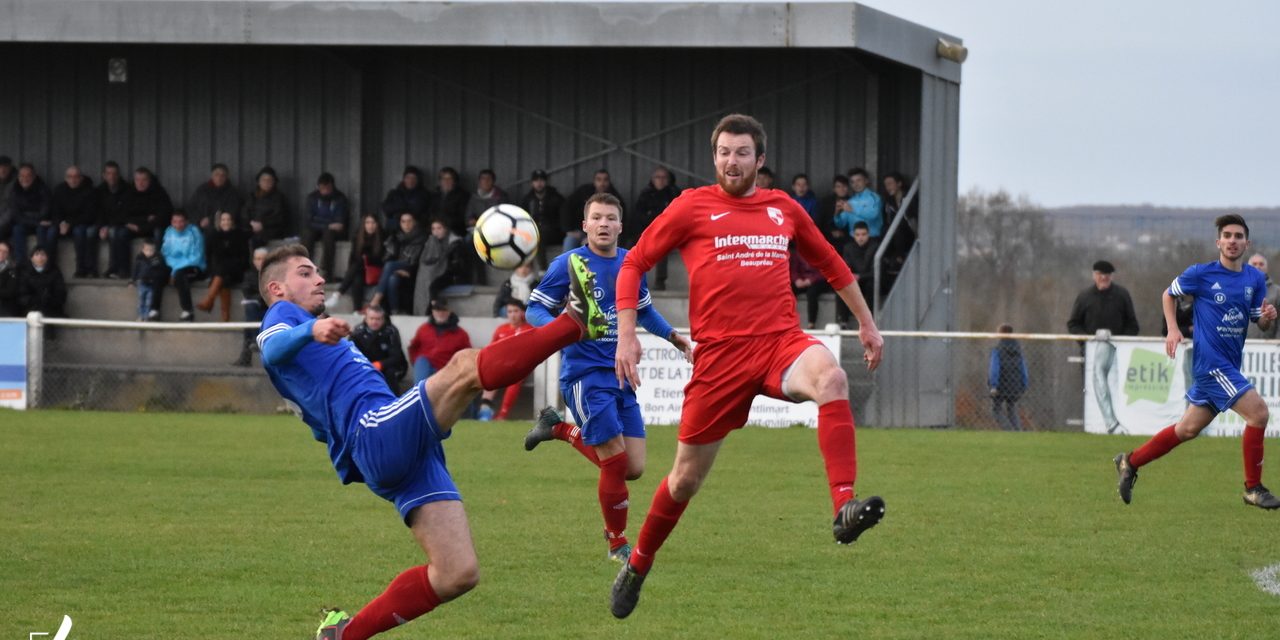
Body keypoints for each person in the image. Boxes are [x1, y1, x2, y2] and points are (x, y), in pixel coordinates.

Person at [253, 243, 607, 640]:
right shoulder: (282, 317)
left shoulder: (308, 340)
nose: (318, 278)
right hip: (375, 431)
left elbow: (321, 420)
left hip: (392, 446)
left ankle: (343, 636)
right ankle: (573, 323)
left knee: (457, 572)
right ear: (277, 289)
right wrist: (310, 328)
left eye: (317, 270)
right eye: (304, 273)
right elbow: (270, 344)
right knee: (463, 367)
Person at [609, 114, 886, 618]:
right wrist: (626, 335)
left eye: (741, 153)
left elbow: (830, 263)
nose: (730, 161)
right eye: (723, 153)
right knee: (683, 482)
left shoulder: (783, 209)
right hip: (719, 361)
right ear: (713, 157)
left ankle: (843, 506)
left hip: (781, 342)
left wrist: (866, 323)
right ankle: (639, 564)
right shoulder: (692, 206)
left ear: (760, 160)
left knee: (833, 377)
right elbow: (632, 262)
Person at [523, 192, 690, 561]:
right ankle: (617, 544)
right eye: (596, 217)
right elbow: (535, 310)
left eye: (610, 218)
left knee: (633, 467)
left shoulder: (632, 263)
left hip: (622, 374)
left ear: (620, 225)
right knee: (613, 461)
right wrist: (561, 331)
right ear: (584, 225)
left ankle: (557, 428)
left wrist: (678, 341)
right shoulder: (568, 264)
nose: (603, 224)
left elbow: (643, 311)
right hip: (584, 375)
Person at [1114, 214, 1280, 510]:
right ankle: (1253, 488)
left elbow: (1259, 322)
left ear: (1247, 243)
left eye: (1238, 236)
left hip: (1229, 364)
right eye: (1227, 235)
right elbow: (1169, 294)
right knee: (1258, 413)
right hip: (1211, 365)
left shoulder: (1254, 279)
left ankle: (1130, 461)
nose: (1232, 240)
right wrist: (1174, 328)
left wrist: (1267, 319)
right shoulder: (1201, 274)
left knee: (1187, 429)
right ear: (1218, 242)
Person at [1067, 260, 1139, 435]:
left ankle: (1117, 424)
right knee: (1092, 388)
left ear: (1112, 277)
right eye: (1100, 275)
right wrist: (1088, 341)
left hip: (1118, 355)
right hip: (1090, 354)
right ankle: (1095, 426)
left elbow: (1133, 325)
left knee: (1117, 389)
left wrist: (1119, 341)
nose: (1103, 278)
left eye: (1107, 275)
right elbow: (1073, 324)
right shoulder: (1084, 297)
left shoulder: (1122, 295)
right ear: (1094, 276)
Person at [477, 299, 535, 421]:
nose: (512, 315)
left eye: (515, 311)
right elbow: (491, 349)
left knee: (514, 379)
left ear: (522, 313)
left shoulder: (529, 329)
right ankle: (485, 411)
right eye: (509, 311)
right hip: (501, 365)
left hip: (520, 366)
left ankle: (503, 415)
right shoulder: (501, 329)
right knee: (488, 376)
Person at [630, 166, 679, 288]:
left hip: (668, 233)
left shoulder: (674, 194)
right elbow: (638, 215)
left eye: (664, 177)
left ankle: (660, 281)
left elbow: (679, 216)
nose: (661, 180)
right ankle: (634, 282)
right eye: (658, 177)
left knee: (662, 246)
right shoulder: (646, 195)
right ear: (652, 179)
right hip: (648, 231)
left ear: (668, 179)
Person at [369, 212, 427, 315]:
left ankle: (376, 299)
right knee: (392, 279)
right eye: (403, 221)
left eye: (409, 221)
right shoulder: (396, 237)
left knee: (390, 265)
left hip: (413, 273)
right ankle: (395, 311)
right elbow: (387, 257)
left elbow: (422, 262)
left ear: (415, 223)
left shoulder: (422, 238)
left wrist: (410, 273)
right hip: (395, 271)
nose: (406, 224)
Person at [198, 211, 251, 322]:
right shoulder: (213, 236)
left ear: (232, 222)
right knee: (224, 278)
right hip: (219, 273)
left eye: (228, 219)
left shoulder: (239, 235)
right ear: (219, 222)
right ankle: (225, 317)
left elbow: (244, 258)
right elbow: (209, 256)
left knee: (223, 269)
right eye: (223, 220)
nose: (226, 222)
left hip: (237, 270)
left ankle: (209, 300)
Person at [408, 298, 472, 383]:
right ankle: (419, 392)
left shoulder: (461, 334)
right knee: (421, 361)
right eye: (437, 310)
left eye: (444, 310)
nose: (440, 313)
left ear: (449, 312)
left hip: (446, 369)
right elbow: (413, 347)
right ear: (433, 312)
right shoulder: (423, 329)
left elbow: (466, 355)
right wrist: (415, 361)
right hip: (424, 365)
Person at [158, 210, 206, 321]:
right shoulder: (169, 232)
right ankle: (153, 310)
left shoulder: (194, 232)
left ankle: (188, 311)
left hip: (194, 266)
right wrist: (173, 269)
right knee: (158, 274)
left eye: (181, 221)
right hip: (173, 266)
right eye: (175, 222)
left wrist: (174, 271)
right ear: (171, 222)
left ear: (187, 222)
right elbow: (165, 253)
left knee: (180, 275)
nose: (178, 225)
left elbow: (196, 257)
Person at [52, 165, 98, 277]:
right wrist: (61, 223)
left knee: (80, 231)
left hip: (81, 224)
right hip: (64, 224)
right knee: (50, 232)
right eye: (70, 177)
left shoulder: (89, 191)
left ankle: (81, 268)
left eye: (76, 177)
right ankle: (49, 265)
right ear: (65, 178)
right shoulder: (59, 190)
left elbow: (89, 215)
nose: (73, 180)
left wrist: (70, 223)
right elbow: (55, 211)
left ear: (81, 178)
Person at [411, 219, 466, 316]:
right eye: (433, 229)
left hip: (451, 274)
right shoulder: (431, 243)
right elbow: (426, 260)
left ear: (445, 229)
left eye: (439, 228)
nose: (436, 231)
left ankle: (432, 309)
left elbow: (457, 265)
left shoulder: (455, 243)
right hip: (436, 272)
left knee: (433, 286)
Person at [332, 213, 385, 312]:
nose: (370, 225)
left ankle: (338, 293)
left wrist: (367, 259)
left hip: (376, 272)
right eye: (367, 222)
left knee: (358, 263)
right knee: (356, 279)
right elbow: (352, 258)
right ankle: (357, 310)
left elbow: (381, 259)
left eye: (373, 222)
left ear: (377, 224)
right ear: (363, 225)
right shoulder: (358, 238)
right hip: (360, 271)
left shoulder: (383, 237)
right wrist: (350, 273)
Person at [351, 304, 409, 393]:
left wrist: (380, 364)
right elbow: (352, 353)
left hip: (388, 365)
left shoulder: (391, 331)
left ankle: (394, 401)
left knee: (390, 373)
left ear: (383, 319)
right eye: (372, 318)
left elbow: (396, 357)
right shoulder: (358, 332)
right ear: (366, 318)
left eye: (378, 319)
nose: (374, 322)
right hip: (365, 365)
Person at [302, 172, 350, 278]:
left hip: (333, 232)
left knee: (328, 235)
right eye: (322, 188)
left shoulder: (340, 198)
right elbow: (308, 221)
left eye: (327, 188)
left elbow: (340, 222)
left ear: (332, 186)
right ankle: (304, 266)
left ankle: (326, 271)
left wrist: (321, 223)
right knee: (307, 234)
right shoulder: (312, 198)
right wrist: (328, 225)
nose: (325, 191)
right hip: (318, 228)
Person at [561, 169, 622, 253]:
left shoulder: (616, 198)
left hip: (601, 234)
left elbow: (621, 220)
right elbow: (566, 208)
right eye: (599, 180)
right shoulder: (583, 192)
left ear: (609, 182)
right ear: (594, 181)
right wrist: (568, 230)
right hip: (578, 231)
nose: (602, 183)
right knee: (569, 241)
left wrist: (591, 237)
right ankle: (567, 265)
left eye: (605, 180)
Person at [9, 162, 54, 264]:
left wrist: (27, 216)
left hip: (41, 224)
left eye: (28, 176)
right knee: (17, 229)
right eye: (22, 176)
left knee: (41, 230)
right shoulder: (15, 190)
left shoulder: (43, 189)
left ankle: (43, 262)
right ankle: (21, 263)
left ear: (34, 176)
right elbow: (16, 215)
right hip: (30, 223)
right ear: (18, 177)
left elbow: (45, 212)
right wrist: (34, 221)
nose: (25, 179)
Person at [520, 169, 565, 268]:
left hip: (554, 233)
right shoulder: (528, 199)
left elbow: (563, 218)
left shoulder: (556, 198)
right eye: (536, 180)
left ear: (546, 182)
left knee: (538, 235)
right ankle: (525, 271)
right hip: (533, 232)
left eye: (542, 180)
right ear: (532, 183)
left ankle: (542, 270)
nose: (539, 183)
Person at [96, 161, 134, 279]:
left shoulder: (127, 189)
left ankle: (123, 269)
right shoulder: (99, 190)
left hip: (124, 223)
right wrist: (101, 226)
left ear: (118, 175)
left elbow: (126, 212)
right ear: (104, 175)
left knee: (119, 233)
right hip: (108, 225)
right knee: (93, 232)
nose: (111, 176)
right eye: (109, 173)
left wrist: (109, 226)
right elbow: (97, 211)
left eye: (114, 173)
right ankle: (111, 268)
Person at [988, 324, 1028, 432]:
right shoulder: (1018, 350)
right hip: (1016, 385)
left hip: (1001, 385)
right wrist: (1024, 384)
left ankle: (1009, 430)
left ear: (1001, 333)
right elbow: (1023, 368)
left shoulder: (997, 349)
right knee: (1012, 408)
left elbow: (994, 369)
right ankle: (1018, 431)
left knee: (996, 409)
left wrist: (993, 385)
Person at [120, 166, 173, 246]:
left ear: (150, 180)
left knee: (159, 232)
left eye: (144, 180)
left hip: (152, 227)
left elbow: (163, 216)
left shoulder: (159, 193)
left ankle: (158, 258)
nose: (140, 183)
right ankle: (121, 259)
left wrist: (142, 227)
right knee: (120, 233)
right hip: (134, 226)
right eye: (137, 180)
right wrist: (144, 219)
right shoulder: (128, 193)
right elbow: (122, 214)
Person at [235, 247, 269, 366]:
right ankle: (255, 341)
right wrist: (260, 298)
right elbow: (246, 291)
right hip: (257, 308)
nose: (260, 262)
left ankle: (246, 356)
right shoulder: (249, 275)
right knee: (250, 310)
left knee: (249, 318)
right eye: (258, 259)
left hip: (270, 309)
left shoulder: (274, 275)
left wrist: (260, 298)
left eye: (263, 259)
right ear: (254, 261)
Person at [188, 163, 244, 234]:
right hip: (199, 228)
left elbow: (232, 212)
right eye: (216, 174)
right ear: (212, 176)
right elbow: (191, 207)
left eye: (222, 175)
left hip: (222, 231)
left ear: (226, 177)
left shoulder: (233, 193)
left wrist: (211, 220)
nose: (219, 178)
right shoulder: (202, 190)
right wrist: (199, 220)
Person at [842, 221, 879, 323]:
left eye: (863, 234)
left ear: (868, 234)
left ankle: (871, 320)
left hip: (869, 280)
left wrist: (860, 276)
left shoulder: (875, 247)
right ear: (853, 235)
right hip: (855, 280)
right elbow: (846, 267)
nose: (860, 238)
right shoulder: (848, 248)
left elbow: (876, 272)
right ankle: (843, 321)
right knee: (842, 287)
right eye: (857, 235)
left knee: (870, 286)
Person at [244, 166, 290, 247]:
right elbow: (244, 212)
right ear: (259, 182)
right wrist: (251, 222)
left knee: (257, 240)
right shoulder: (252, 196)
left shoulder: (279, 198)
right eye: (264, 180)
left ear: (274, 182)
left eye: (269, 180)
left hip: (270, 229)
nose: (266, 182)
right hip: (251, 227)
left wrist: (263, 224)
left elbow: (279, 217)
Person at [18, 246, 67, 319]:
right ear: (31, 258)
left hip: (50, 309)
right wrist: (35, 301)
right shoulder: (25, 273)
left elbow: (60, 293)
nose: (40, 257)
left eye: (43, 254)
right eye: (37, 254)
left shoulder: (55, 272)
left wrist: (48, 300)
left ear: (47, 257)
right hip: (30, 309)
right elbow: (22, 294)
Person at [380, 166, 433, 232]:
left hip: (416, 229)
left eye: (413, 178)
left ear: (418, 180)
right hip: (395, 228)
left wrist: (399, 208)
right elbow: (386, 208)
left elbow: (420, 210)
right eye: (408, 177)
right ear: (404, 179)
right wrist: (402, 207)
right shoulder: (394, 193)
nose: (410, 180)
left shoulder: (424, 194)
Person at [835, 168, 883, 239]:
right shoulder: (850, 201)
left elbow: (873, 215)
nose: (856, 184)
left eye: (859, 180)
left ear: (866, 181)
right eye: (852, 182)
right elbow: (841, 224)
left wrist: (853, 209)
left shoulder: (874, 197)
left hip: (872, 239)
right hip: (854, 240)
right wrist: (837, 214)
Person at [790, 246, 827, 330]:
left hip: (818, 280)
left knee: (812, 293)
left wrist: (811, 280)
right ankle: (788, 320)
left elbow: (823, 271)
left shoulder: (820, 252)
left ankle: (811, 323)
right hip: (802, 280)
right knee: (789, 290)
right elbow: (794, 270)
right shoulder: (797, 253)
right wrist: (797, 280)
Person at [130, 238, 166, 321]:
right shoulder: (139, 258)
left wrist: (156, 262)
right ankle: (140, 316)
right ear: (143, 250)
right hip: (142, 283)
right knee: (141, 301)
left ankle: (146, 317)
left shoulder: (157, 259)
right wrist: (132, 280)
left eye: (151, 250)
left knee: (149, 302)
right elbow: (135, 270)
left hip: (151, 284)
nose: (149, 252)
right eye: (147, 250)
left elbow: (160, 269)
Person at [1247, 253, 1280, 340]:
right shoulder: (1239, 289)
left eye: (1261, 264)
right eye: (1254, 264)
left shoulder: (1277, 291)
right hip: (1242, 346)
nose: (1258, 267)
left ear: (1267, 268)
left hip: (1268, 347)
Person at [433, 167, 470, 237]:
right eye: (443, 178)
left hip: (455, 230)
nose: (446, 181)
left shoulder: (463, 196)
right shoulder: (435, 196)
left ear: (454, 181)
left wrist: (444, 225)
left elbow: (462, 217)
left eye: (449, 178)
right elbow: (431, 213)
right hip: (435, 229)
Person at [0, 241, 21, 317]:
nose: (1, 254)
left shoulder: (12, 269)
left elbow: (10, 291)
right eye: (0, 250)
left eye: (5, 252)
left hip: (4, 309)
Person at [0, 156, 14, 242]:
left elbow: (12, 209)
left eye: (5, 167)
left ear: (10, 168)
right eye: (0, 168)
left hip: (10, 221)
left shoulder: (16, 182)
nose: (2, 170)